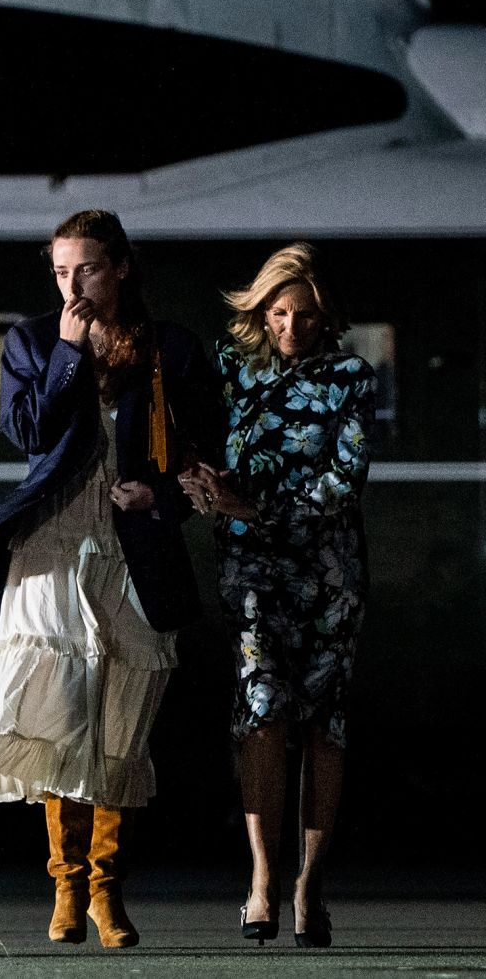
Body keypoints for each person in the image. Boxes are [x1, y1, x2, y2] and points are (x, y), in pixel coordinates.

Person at [0, 210, 213, 949]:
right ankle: (66, 889)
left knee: (119, 718)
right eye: (62, 271)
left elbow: (205, 443)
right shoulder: (33, 339)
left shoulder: (170, 347)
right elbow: (26, 431)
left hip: (130, 539)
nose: (74, 284)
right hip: (55, 533)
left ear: (120, 267)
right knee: (58, 716)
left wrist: (158, 493)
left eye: (87, 268)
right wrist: (67, 354)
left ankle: (108, 887)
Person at [177, 243, 373, 949]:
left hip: (329, 572)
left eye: (306, 314)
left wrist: (258, 509)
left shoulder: (352, 377)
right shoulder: (231, 372)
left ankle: (309, 886)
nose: (291, 326)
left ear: (327, 318)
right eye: (280, 312)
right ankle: (261, 880)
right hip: (253, 572)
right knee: (261, 714)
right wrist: (200, 486)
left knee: (323, 725)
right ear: (261, 311)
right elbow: (196, 444)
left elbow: (343, 480)